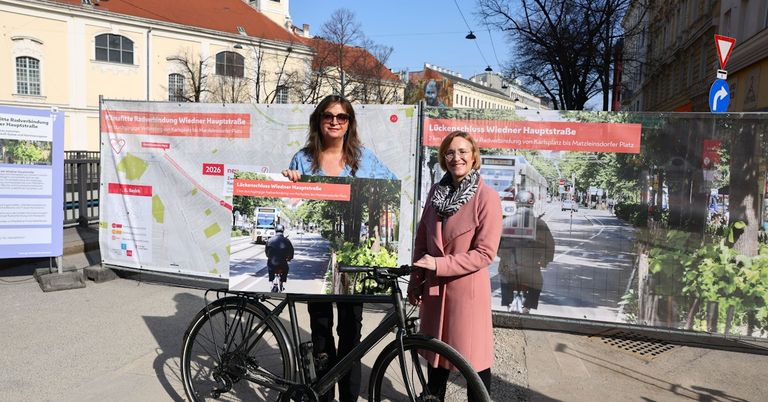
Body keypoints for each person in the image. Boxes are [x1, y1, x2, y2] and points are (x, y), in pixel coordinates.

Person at [282, 94, 395, 402]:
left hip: (352, 261)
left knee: (350, 336)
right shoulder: (303, 159)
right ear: (319, 120)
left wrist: (384, 211)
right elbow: (290, 201)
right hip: (319, 260)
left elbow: (391, 189)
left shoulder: (365, 159)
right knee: (320, 330)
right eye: (328, 116)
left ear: (349, 123)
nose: (334, 121)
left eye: (341, 117)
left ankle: (348, 398)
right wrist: (289, 182)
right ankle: (323, 397)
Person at [408, 130, 502, 400]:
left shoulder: (487, 198)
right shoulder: (436, 193)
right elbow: (421, 240)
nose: (456, 158)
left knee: (473, 366)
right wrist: (416, 281)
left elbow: (485, 253)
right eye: (450, 152)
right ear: (443, 158)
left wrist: (439, 264)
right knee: (436, 364)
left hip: (466, 295)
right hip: (435, 293)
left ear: (474, 157)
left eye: (462, 152)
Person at [497, 190, 555, 313]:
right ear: (532, 204)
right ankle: (527, 307)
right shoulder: (539, 224)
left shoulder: (505, 222)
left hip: (509, 269)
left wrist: (502, 256)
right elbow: (550, 246)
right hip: (531, 269)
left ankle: (507, 304)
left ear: (516, 204)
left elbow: (496, 245)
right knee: (538, 282)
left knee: (503, 277)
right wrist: (544, 261)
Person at [265, 224, 294, 292]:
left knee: (270, 268)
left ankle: (271, 280)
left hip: (272, 263)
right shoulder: (287, 241)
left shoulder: (269, 240)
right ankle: (282, 281)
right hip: (282, 263)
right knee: (286, 269)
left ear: (275, 230)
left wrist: (269, 257)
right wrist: (289, 258)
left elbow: (266, 253)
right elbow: (291, 251)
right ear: (283, 231)